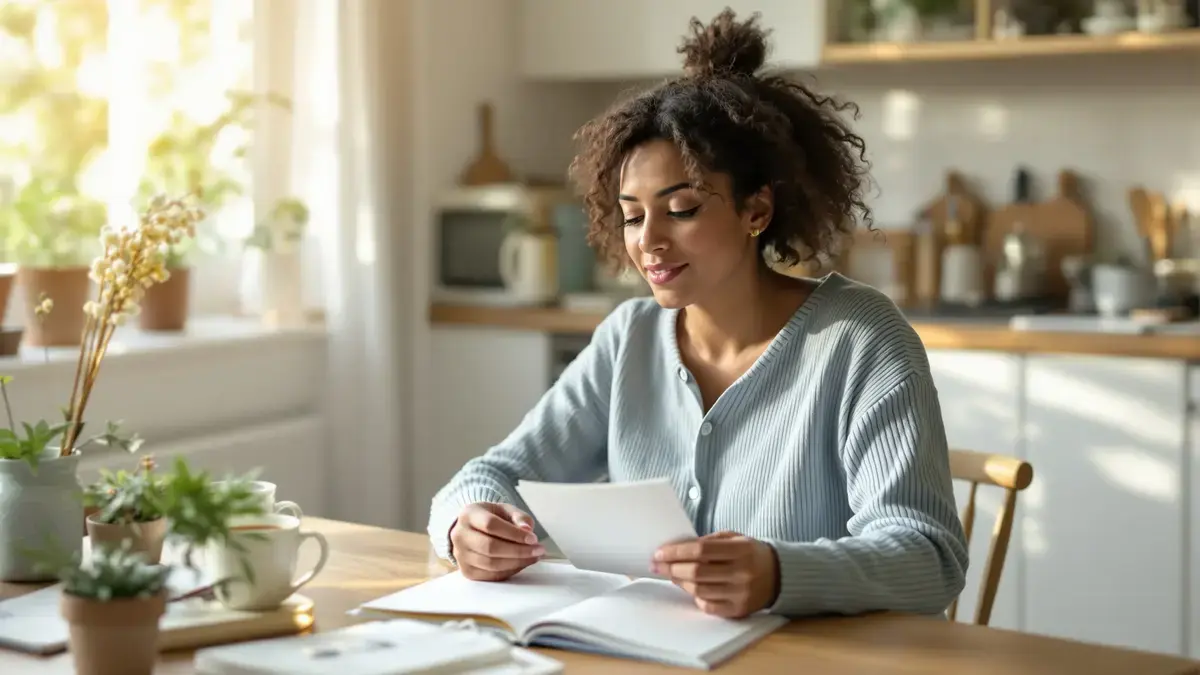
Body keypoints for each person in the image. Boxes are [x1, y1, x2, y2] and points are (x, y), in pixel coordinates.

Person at [427, 9, 968, 620]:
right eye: (633, 215)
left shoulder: (861, 340)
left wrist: (779, 573)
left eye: (681, 209)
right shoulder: (627, 339)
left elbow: (930, 558)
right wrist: (464, 525)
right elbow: (493, 473)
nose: (648, 242)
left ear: (756, 210)